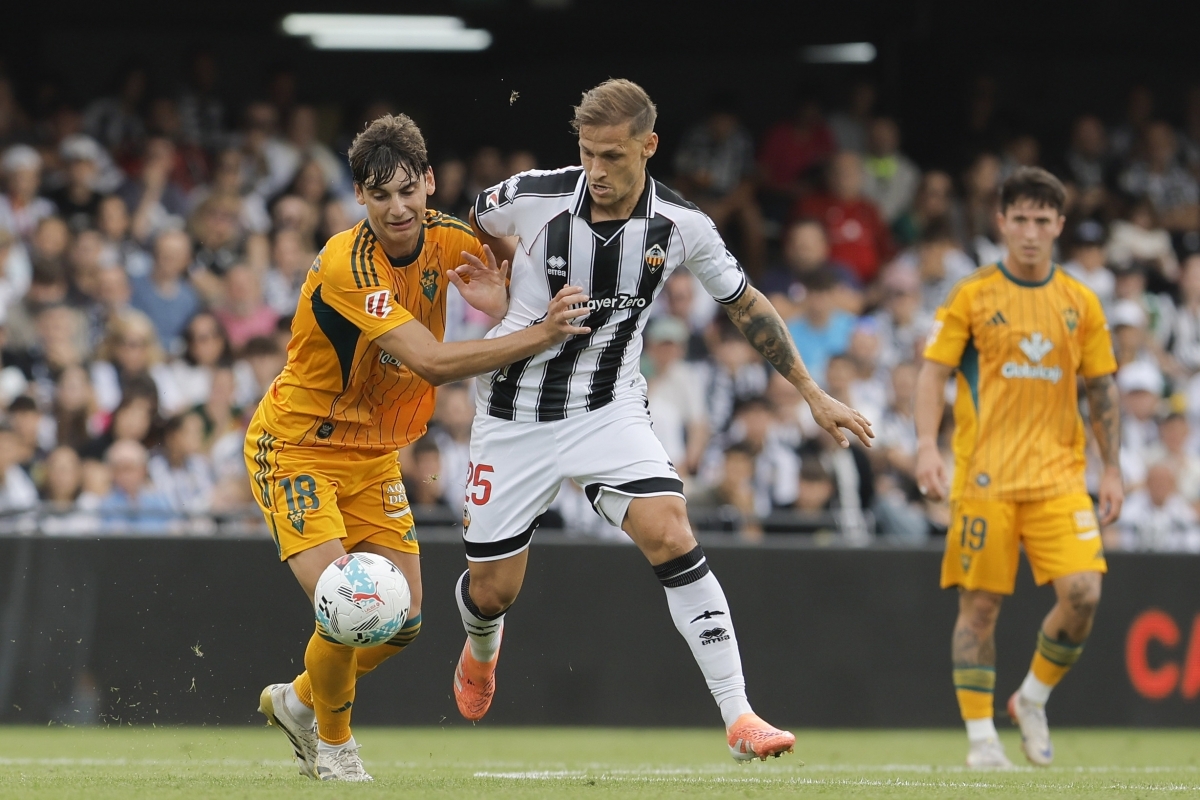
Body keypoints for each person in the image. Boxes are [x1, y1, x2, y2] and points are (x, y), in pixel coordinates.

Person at [457, 79, 872, 762]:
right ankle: (480, 653)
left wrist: (812, 392)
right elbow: (474, 220)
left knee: (670, 529)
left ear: (648, 146)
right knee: (491, 592)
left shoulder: (684, 228)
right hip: (512, 415)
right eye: (588, 153)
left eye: (613, 156)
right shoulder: (533, 195)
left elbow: (748, 305)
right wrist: (503, 280)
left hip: (607, 409)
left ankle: (740, 718)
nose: (597, 170)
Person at [246, 113, 590, 783]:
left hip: (373, 456)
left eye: (408, 190)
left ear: (429, 183)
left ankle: (298, 700)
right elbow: (431, 362)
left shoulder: (451, 239)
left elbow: (519, 293)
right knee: (351, 606)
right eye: (381, 196)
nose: (398, 208)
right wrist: (539, 333)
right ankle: (335, 748)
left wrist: (514, 306)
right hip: (298, 448)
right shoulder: (349, 266)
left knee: (403, 622)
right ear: (360, 199)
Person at [914, 167, 1123, 768]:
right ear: (1001, 222)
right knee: (979, 608)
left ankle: (1031, 698)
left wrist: (1112, 469)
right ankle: (982, 741)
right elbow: (934, 373)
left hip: (1060, 476)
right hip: (986, 477)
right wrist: (928, 444)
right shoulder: (972, 294)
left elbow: (1103, 389)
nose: (1030, 232)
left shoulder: (1080, 302)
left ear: (1058, 225)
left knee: (1084, 593)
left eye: (1042, 220)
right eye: (1020, 219)